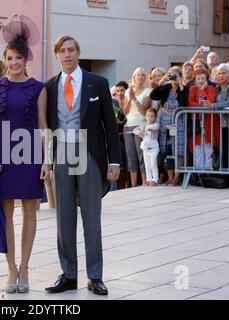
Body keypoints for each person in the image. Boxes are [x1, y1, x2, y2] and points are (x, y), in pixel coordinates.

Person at [44, 35, 121, 296]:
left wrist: (115, 160)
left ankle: (95, 276)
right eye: (61, 51)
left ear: (78, 53)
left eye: (71, 50)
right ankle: (68, 274)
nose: (66, 55)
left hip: (88, 151)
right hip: (62, 152)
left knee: (91, 218)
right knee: (64, 217)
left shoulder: (97, 83)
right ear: (57, 56)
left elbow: (110, 125)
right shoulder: (50, 86)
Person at [0, 23, 49, 294]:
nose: (14, 63)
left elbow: (43, 124)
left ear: (26, 59)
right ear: (5, 60)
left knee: (30, 212)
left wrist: (47, 160)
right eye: (9, 59)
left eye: (19, 58)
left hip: (30, 152)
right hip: (3, 152)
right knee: (6, 212)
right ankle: (10, 270)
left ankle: (25, 268)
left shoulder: (39, 87)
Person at [150, 66, 189, 186]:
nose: (173, 78)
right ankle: (170, 176)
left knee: (179, 148)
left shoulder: (184, 89)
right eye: (171, 75)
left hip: (178, 121)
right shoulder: (166, 88)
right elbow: (153, 96)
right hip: (164, 121)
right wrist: (161, 82)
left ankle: (177, 176)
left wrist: (181, 86)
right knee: (166, 148)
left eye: (175, 75)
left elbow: (184, 103)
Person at [122, 67, 152, 187]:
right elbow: (125, 111)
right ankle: (134, 184)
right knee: (131, 155)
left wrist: (134, 98)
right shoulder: (128, 92)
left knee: (141, 154)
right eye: (138, 75)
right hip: (128, 126)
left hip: (141, 125)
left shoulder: (148, 92)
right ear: (133, 77)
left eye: (143, 75)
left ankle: (144, 180)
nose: (140, 77)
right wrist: (129, 98)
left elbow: (143, 110)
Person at [188, 68, 219, 170]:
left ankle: (208, 171)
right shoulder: (192, 89)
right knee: (197, 148)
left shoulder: (211, 89)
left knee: (208, 148)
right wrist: (202, 105)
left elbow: (210, 101)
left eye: (203, 78)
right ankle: (199, 172)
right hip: (196, 123)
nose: (200, 81)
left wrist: (202, 91)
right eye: (198, 78)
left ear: (206, 79)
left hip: (208, 122)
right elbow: (190, 103)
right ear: (195, 79)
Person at [133, 108, 160, 186]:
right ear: (145, 117)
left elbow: (155, 128)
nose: (150, 118)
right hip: (145, 149)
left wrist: (148, 128)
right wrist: (139, 132)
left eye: (152, 116)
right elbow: (135, 130)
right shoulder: (143, 125)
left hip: (154, 148)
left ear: (155, 117)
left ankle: (155, 179)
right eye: (148, 116)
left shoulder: (156, 124)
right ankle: (148, 179)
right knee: (147, 165)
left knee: (153, 164)